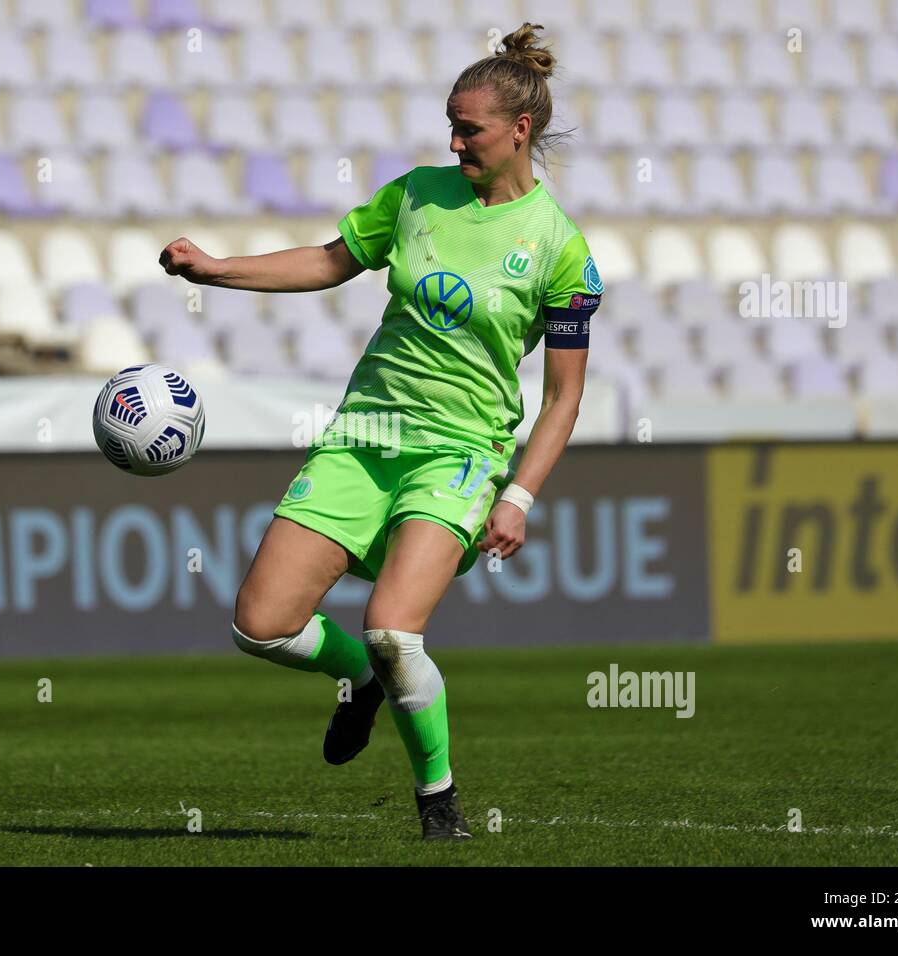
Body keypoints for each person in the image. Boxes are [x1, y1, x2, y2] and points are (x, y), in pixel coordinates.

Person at [158, 22, 600, 840]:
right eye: (450, 125)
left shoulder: (560, 249)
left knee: (396, 630)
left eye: (468, 128)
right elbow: (331, 260)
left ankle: (440, 803)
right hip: (362, 439)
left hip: (459, 456)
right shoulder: (415, 195)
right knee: (260, 625)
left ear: (520, 130)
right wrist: (216, 269)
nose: (455, 140)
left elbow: (563, 398)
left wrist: (520, 495)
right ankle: (358, 679)